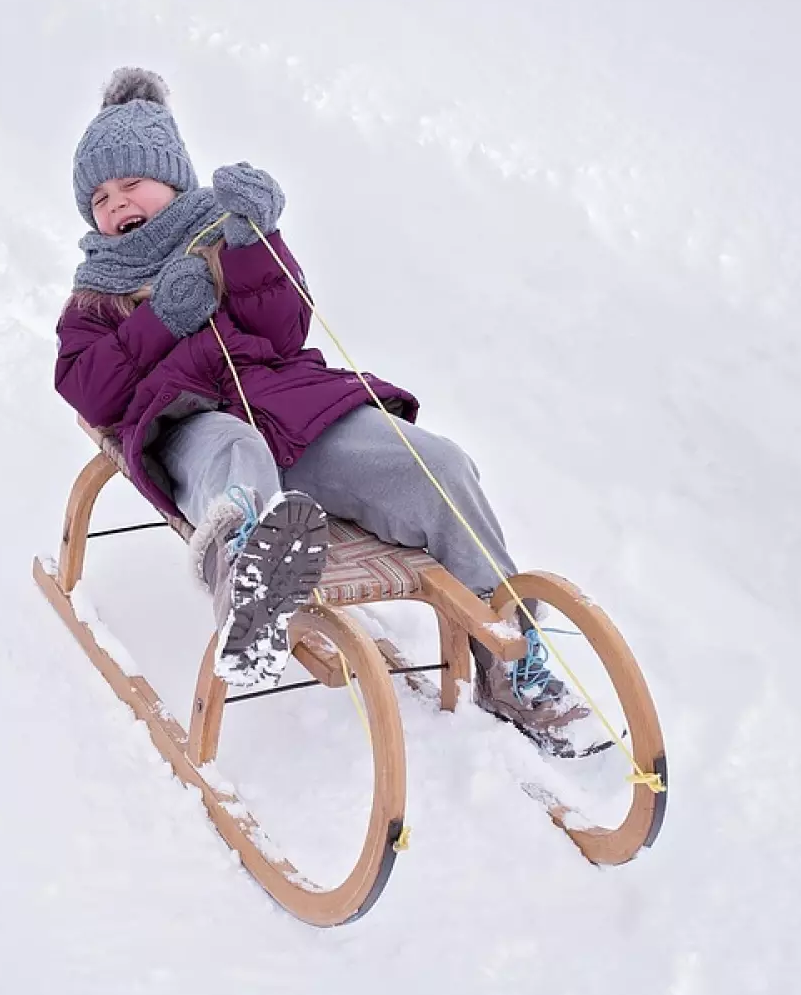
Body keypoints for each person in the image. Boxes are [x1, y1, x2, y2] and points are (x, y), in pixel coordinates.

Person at [55, 67, 606, 756]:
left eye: (130, 182)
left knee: (435, 463)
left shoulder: (224, 235)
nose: (116, 204)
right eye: (99, 198)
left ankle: (507, 659)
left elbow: (286, 332)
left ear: (173, 175)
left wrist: (257, 242)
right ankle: (250, 596)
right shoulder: (96, 294)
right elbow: (88, 390)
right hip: (190, 426)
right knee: (237, 455)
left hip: (295, 407)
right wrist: (159, 321)